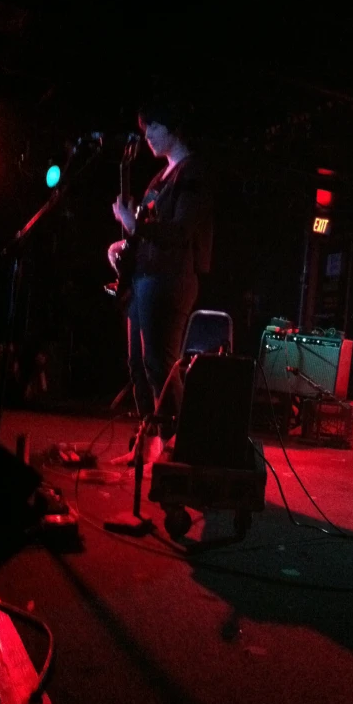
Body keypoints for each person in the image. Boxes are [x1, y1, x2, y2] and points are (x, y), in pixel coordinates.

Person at [108, 97, 213, 468]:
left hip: (171, 278)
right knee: (138, 365)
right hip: (143, 277)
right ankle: (147, 443)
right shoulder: (158, 178)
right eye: (144, 129)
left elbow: (182, 231)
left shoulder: (193, 172)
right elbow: (147, 232)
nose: (147, 135)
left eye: (153, 127)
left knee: (160, 365)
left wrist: (136, 225)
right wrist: (124, 243)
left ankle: (174, 448)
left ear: (172, 128)